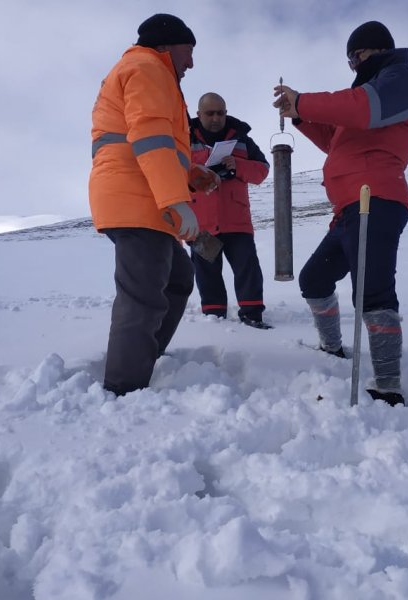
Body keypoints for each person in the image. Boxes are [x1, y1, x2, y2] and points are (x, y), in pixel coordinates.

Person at [273, 21, 408, 406]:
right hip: (348, 209)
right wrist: (300, 117)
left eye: (355, 56)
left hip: (376, 199)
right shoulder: (367, 99)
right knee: (314, 279)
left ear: (376, 50)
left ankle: (388, 385)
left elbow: (362, 109)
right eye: (350, 59)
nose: (353, 65)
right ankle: (332, 349)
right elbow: (337, 140)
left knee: (373, 291)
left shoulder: (401, 80)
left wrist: (304, 99)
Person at [89, 13, 220, 396]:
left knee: (177, 279)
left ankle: (143, 357)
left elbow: (153, 144)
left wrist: (191, 174)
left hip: (140, 194)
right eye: (189, 51)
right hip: (137, 198)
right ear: (166, 46)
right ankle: (124, 388)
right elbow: (149, 139)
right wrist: (177, 201)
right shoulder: (147, 68)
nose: (191, 63)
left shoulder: (149, 72)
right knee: (144, 293)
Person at [189, 92, 272, 329]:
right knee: (207, 274)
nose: (216, 118)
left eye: (220, 113)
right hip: (201, 224)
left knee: (248, 269)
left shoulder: (242, 140)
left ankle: (252, 315)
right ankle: (214, 321)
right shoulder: (182, 139)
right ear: (199, 114)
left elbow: (262, 171)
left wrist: (238, 166)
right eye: (210, 113)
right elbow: (171, 174)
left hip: (237, 222)